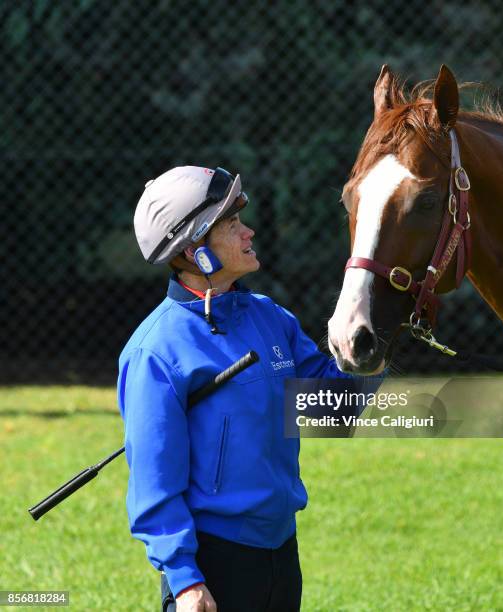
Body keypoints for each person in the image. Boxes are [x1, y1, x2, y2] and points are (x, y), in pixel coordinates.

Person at [117, 166, 385, 611]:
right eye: (232, 224)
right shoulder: (154, 351)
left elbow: (334, 407)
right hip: (214, 564)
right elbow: (153, 481)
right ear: (194, 250)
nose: (249, 232)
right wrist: (184, 580)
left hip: (281, 550)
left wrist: (379, 340)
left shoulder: (268, 316)